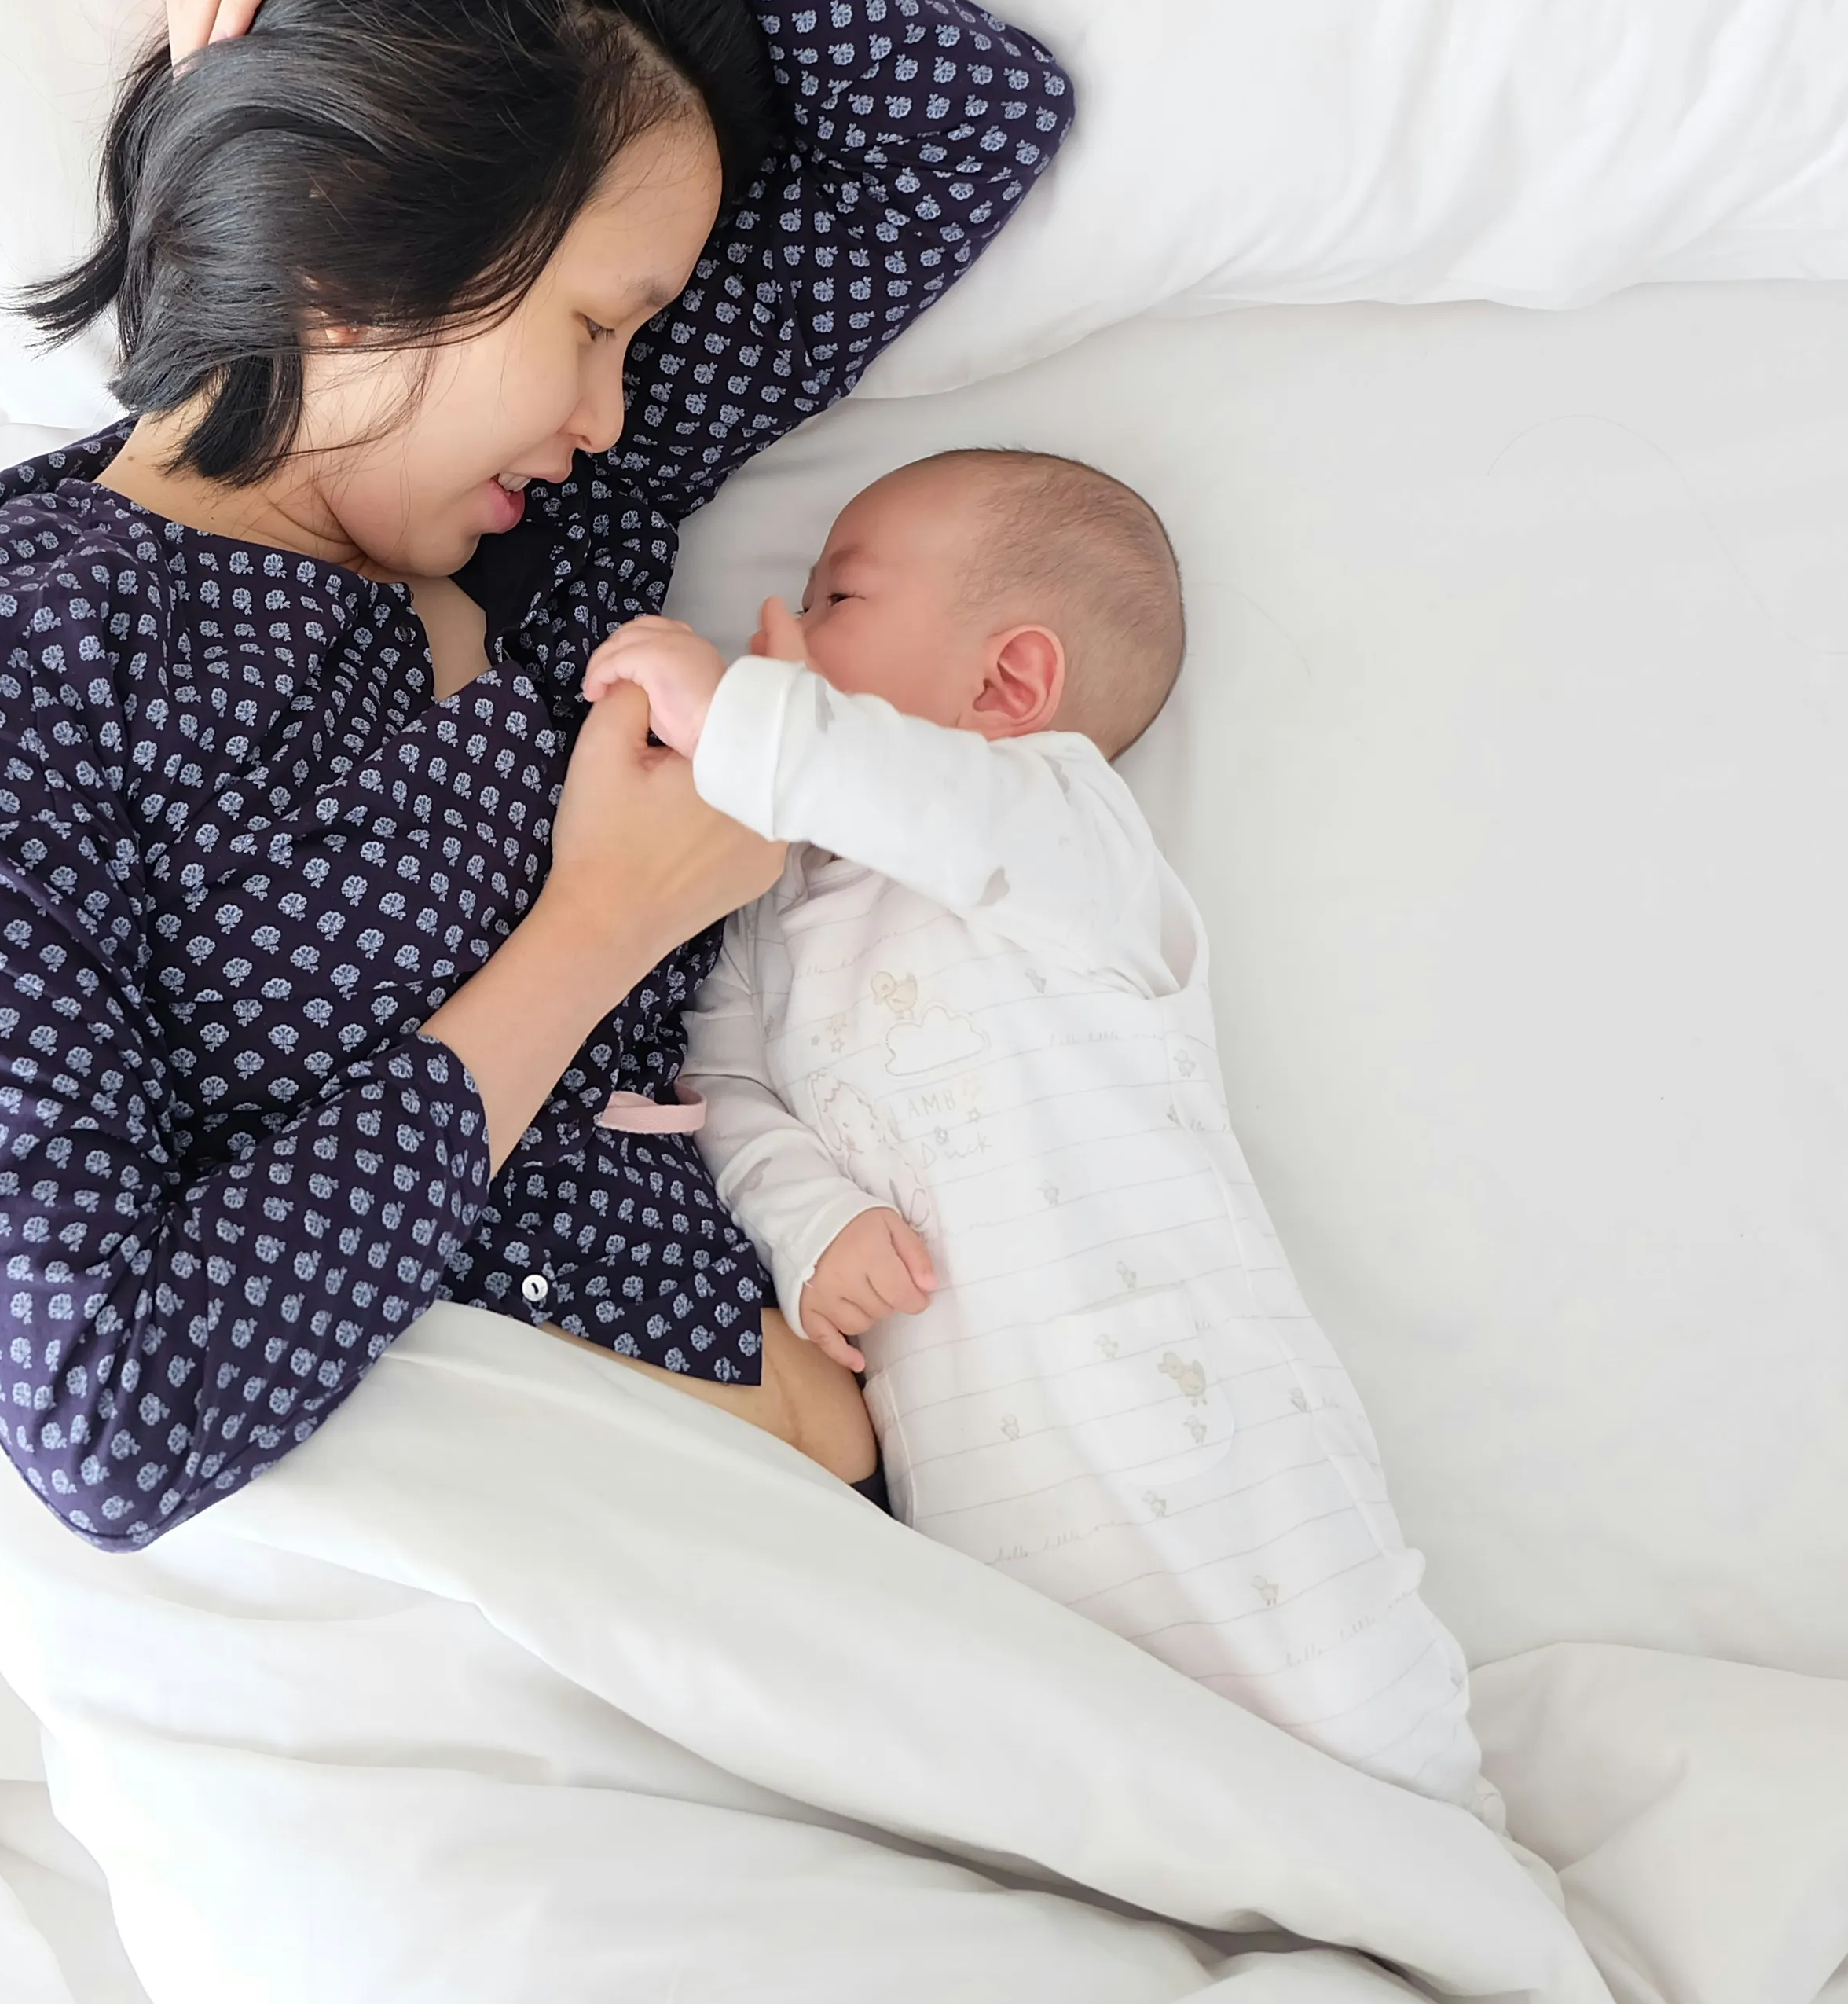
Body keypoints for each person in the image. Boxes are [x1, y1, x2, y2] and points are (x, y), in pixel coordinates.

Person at [0, 0, 1069, 1549]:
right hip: (484, 1595)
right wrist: (596, 930)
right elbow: (108, 1413)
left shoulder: (559, 523)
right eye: (594, 326)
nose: (619, 403)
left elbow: (959, 119)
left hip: (830, 1559)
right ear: (371, 237)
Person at [584, 451, 1493, 1809]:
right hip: (1004, 1543)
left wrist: (740, 714)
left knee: (1372, 1757)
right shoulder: (777, 902)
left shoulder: (1064, 829)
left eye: (834, 599)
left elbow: (907, 795)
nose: (782, 628)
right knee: (1098, 1814)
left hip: (1230, 1469)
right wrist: (811, 1222)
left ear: (1006, 689)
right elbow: (729, 1096)